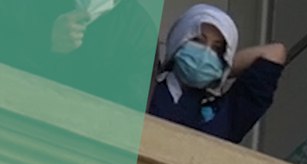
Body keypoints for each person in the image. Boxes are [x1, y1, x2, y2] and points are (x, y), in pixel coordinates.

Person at [148, 4, 286, 144]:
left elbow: (275, 53)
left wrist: (222, 72)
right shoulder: (145, 86)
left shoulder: (222, 115)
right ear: (178, 40)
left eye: (217, 49)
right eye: (198, 41)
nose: (205, 54)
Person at [0, 0, 158, 108]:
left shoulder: (141, 33)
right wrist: (46, 41)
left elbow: (129, 111)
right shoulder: (26, 5)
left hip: (85, 146)